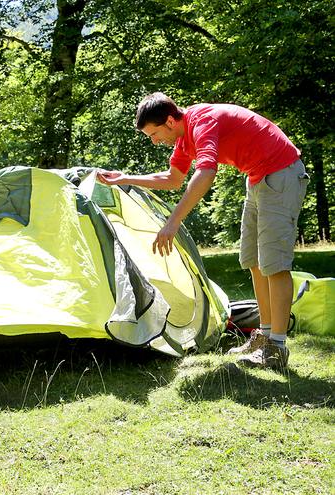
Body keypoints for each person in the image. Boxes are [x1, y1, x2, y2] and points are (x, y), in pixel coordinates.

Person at [98, 92, 309, 370]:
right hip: (257, 179)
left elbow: (206, 173)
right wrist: (124, 179)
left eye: (155, 133)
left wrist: (173, 222)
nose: (155, 140)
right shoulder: (184, 139)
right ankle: (265, 336)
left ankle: (277, 347)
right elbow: (173, 179)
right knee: (254, 262)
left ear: (171, 120)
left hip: (281, 174)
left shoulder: (202, 122)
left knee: (274, 265)